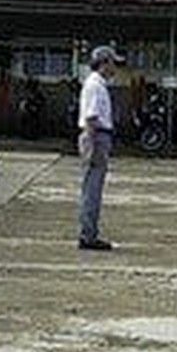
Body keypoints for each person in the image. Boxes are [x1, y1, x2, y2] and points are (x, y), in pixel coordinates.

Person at [76, 45, 121, 251]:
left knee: (92, 187)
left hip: (97, 136)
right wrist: (92, 146)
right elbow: (92, 117)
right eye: (112, 63)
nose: (115, 67)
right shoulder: (95, 85)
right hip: (96, 136)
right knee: (92, 189)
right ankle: (88, 235)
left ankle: (89, 232)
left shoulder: (96, 84)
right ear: (104, 63)